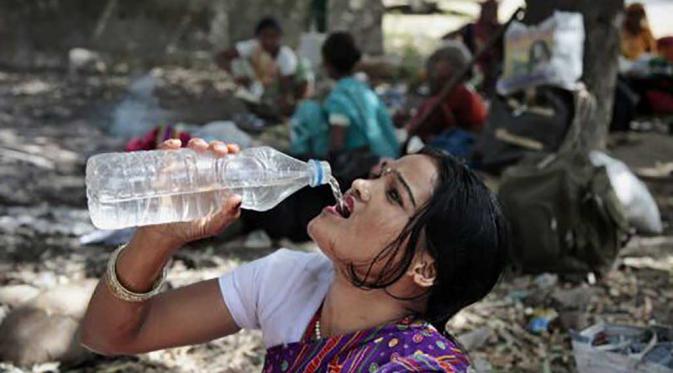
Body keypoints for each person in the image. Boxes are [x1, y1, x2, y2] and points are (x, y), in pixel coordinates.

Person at [80, 137, 509, 372]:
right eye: (380, 175)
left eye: (393, 195)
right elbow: (109, 336)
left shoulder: (417, 368)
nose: (360, 184)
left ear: (424, 267)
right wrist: (158, 236)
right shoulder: (288, 280)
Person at [290, 32, 399, 160]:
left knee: (307, 109)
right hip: (391, 156)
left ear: (327, 63)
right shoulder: (364, 90)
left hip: (372, 164)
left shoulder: (339, 98)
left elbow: (337, 144)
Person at [403, 44, 488, 144]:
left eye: (440, 61)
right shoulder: (443, 93)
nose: (436, 66)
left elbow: (475, 129)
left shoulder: (464, 94)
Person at [215, 17, 299, 114]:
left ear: (279, 37)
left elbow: (286, 89)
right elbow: (221, 57)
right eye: (265, 36)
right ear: (258, 37)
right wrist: (235, 75)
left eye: (273, 36)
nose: (268, 41)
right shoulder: (252, 47)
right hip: (250, 87)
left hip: (273, 94)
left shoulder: (287, 57)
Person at [444, 0, 502, 97]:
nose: (491, 13)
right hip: (473, 68)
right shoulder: (470, 28)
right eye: (488, 9)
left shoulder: (499, 30)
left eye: (493, 10)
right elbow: (448, 37)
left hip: (493, 72)